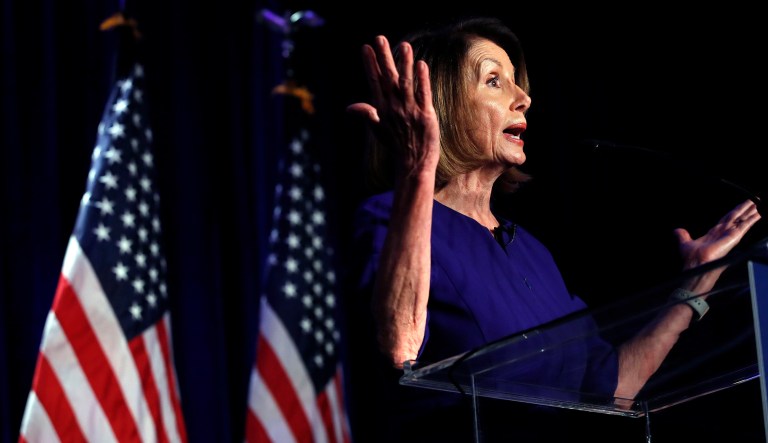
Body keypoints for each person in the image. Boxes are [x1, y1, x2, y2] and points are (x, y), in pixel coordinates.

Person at [343, 16, 762, 442]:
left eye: (517, 83)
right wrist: (417, 167)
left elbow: (609, 387)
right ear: (441, 106)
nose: (523, 98)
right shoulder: (386, 219)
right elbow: (399, 349)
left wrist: (695, 287)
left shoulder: (532, 251)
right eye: (494, 81)